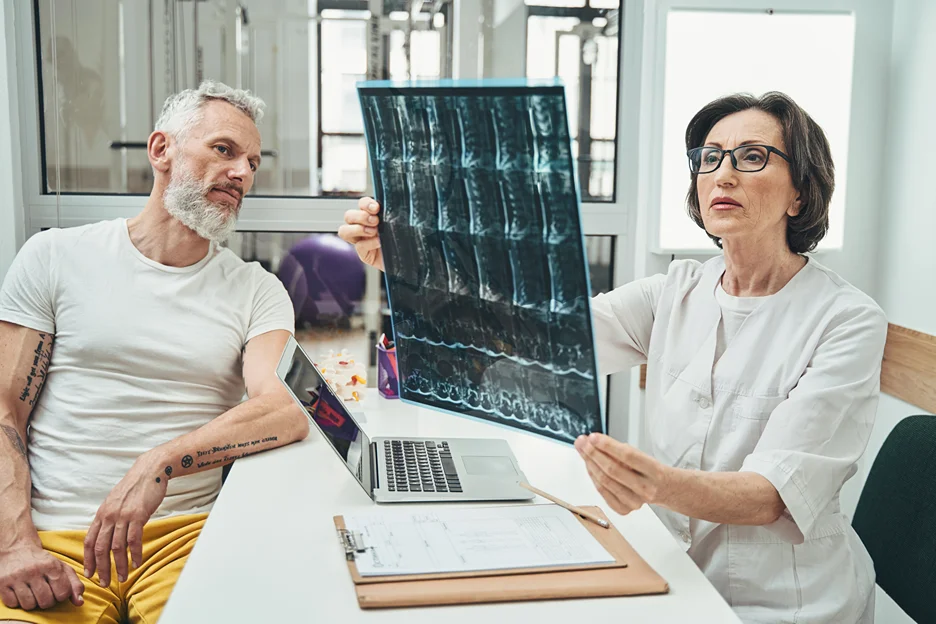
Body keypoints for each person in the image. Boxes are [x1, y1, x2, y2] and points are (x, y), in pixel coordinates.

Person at [338, 92, 887, 623]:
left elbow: (771, 494)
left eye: (752, 157)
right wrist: (412, 264)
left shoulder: (845, 320)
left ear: (800, 193)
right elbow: (540, 330)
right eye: (710, 158)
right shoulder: (677, 289)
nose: (723, 174)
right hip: (675, 569)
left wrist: (654, 484)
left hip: (786, 603)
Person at [0, 80, 308, 623]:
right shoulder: (54, 256)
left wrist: (161, 462)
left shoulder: (256, 290)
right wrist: (14, 543)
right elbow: (6, 410)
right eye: (224, 150)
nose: (243, 173)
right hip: (52, 541)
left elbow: (285, 407)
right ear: (161, 150)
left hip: (185, 539)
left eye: (253, 163)